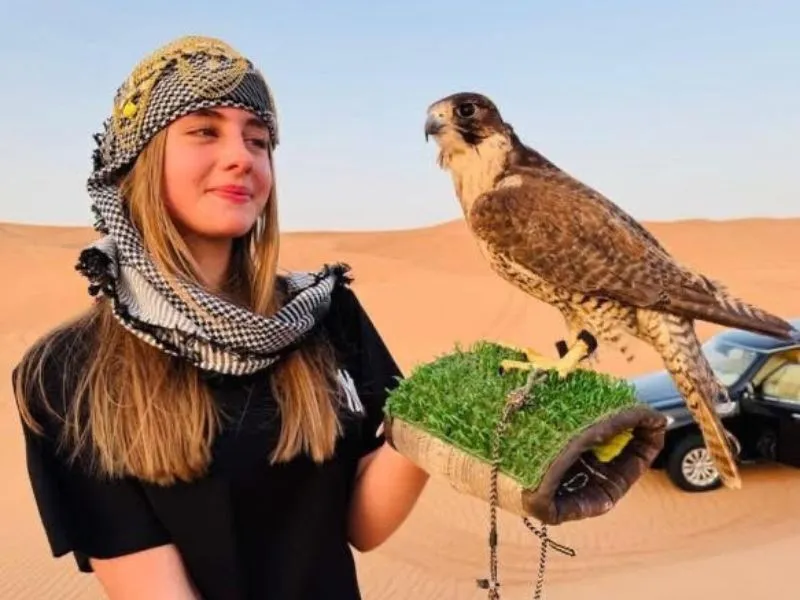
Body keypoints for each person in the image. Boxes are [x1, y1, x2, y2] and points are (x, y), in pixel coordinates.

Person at [12, 35, 429, 600]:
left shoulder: (326, 313)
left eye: (258, 140)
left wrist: (436, 433)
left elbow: (361, 526)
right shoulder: (67, 370)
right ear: (139, 158)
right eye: (204, 130)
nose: (241, 155)